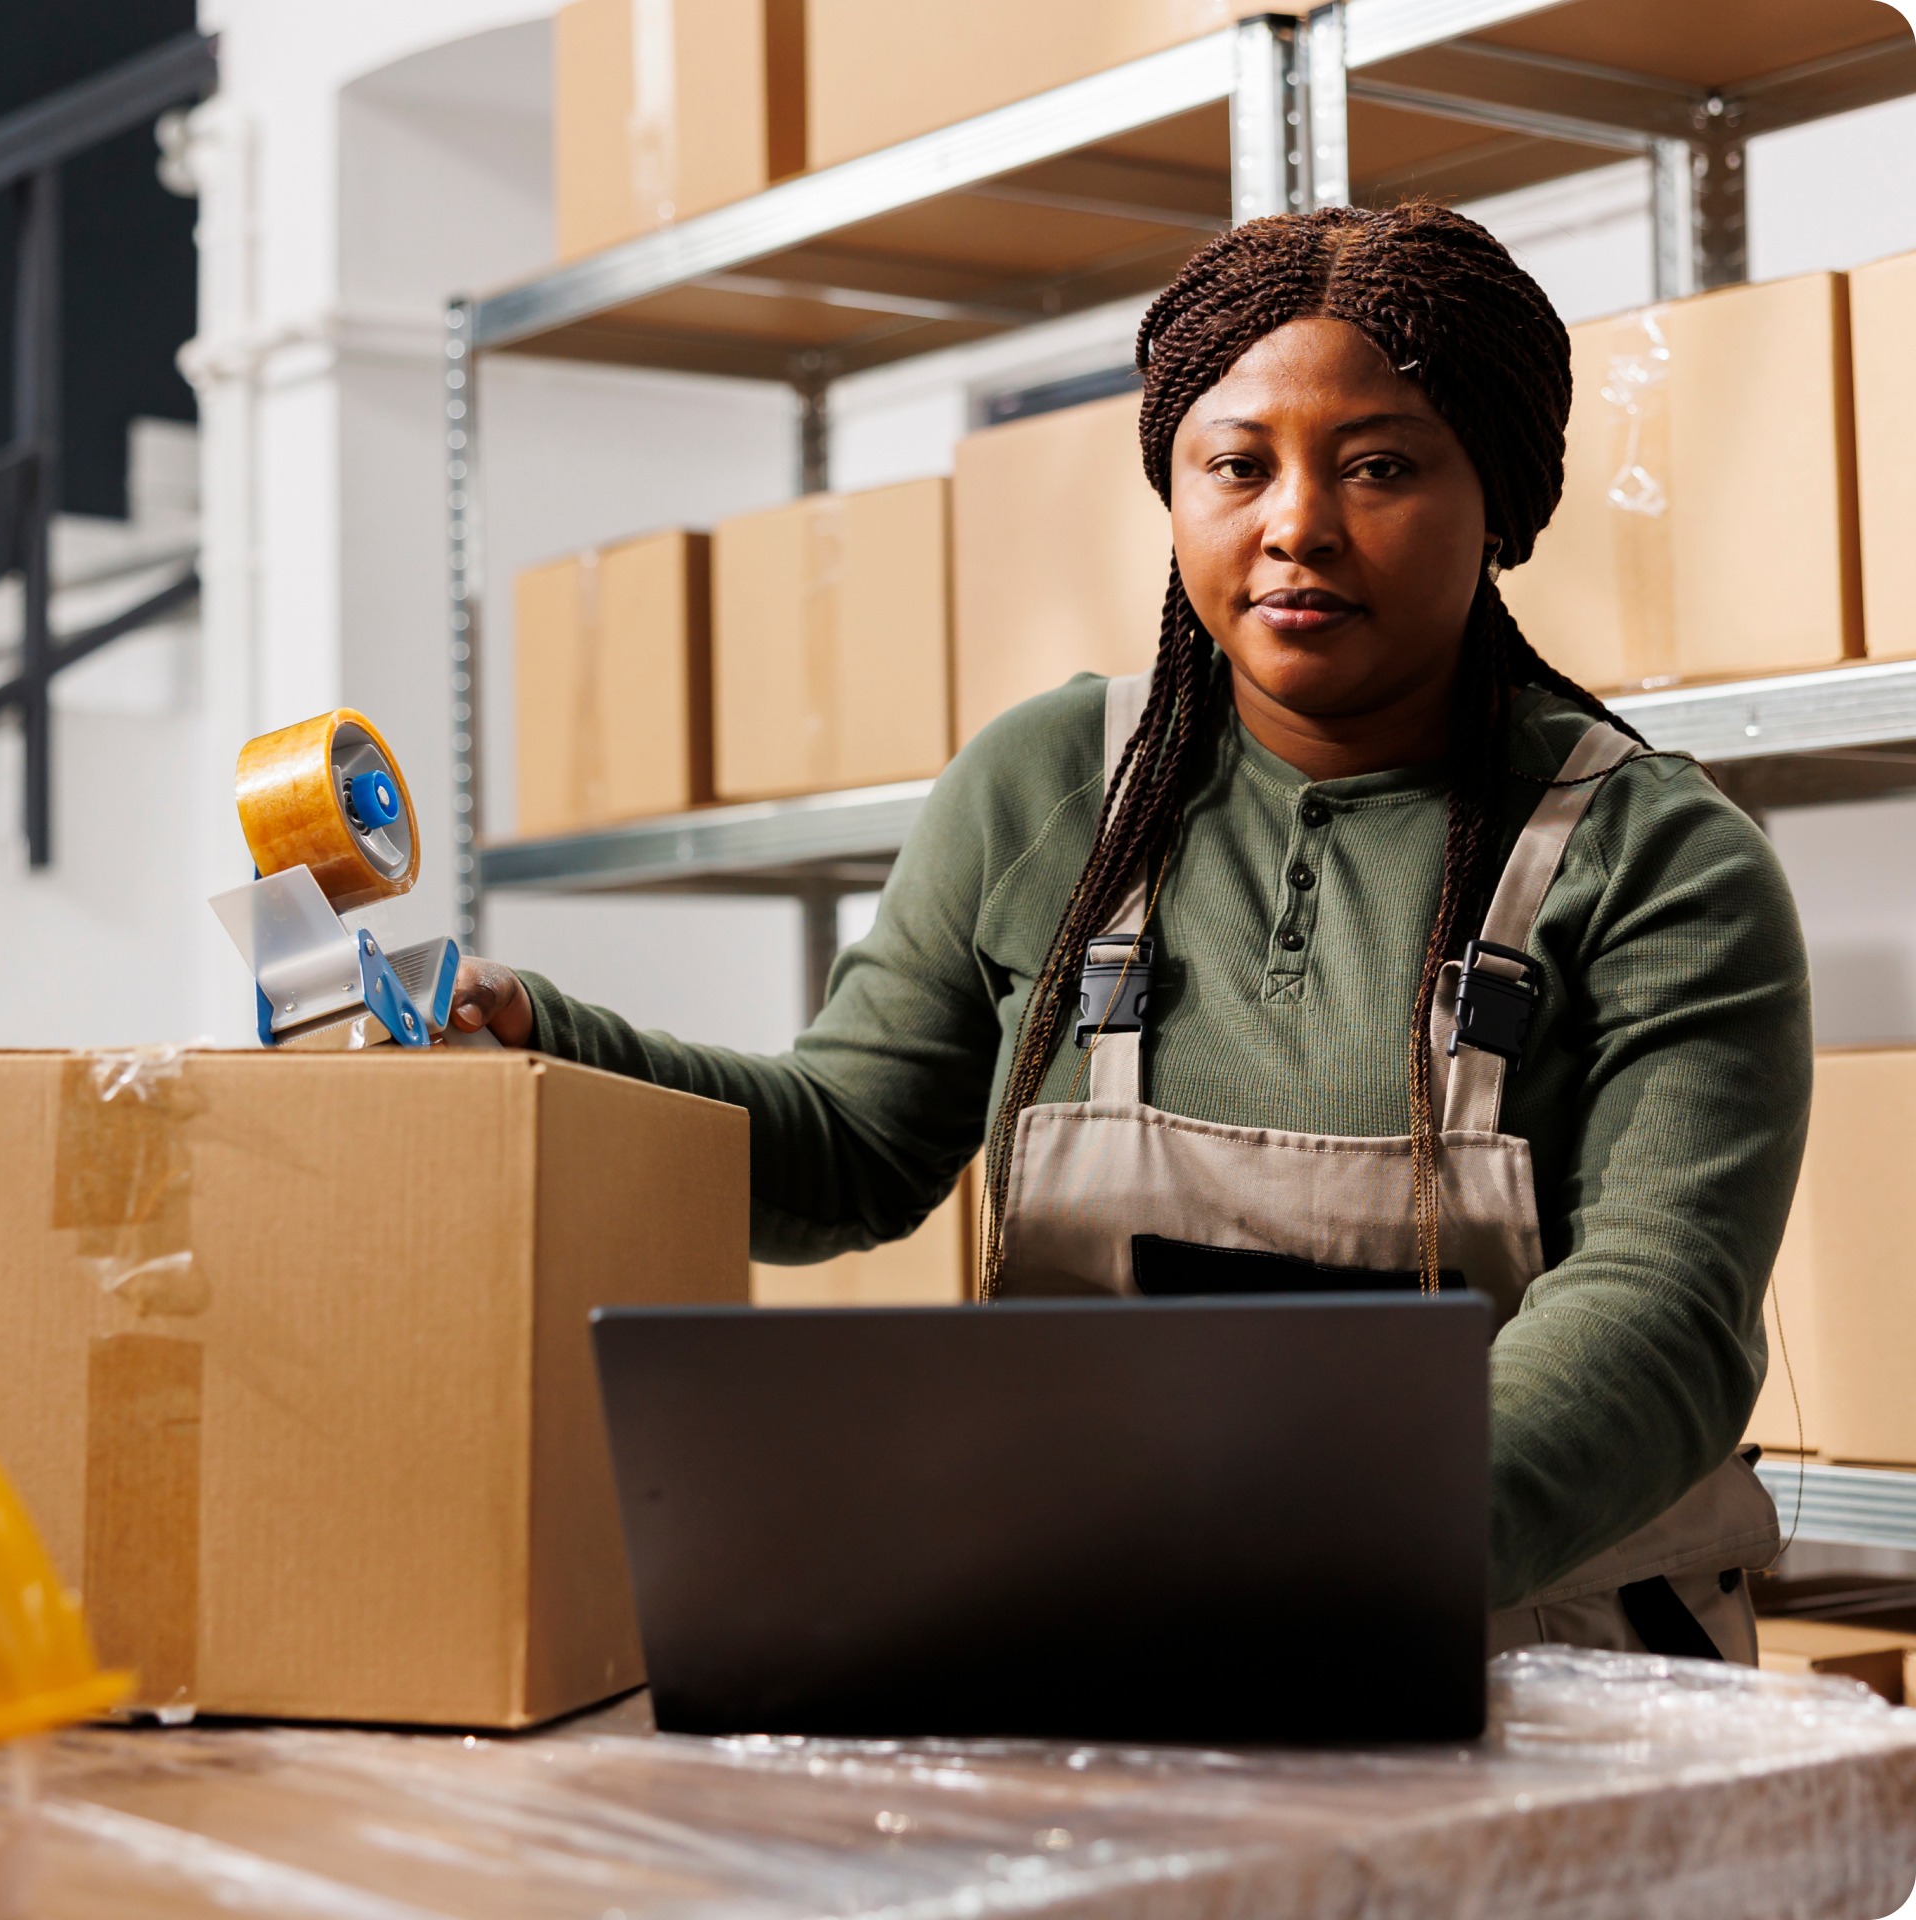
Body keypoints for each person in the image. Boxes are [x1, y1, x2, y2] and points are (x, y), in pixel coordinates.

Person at [448, 203, 1811, 1657]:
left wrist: (1345, 1538)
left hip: (1536, 1652)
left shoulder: (1658, 860)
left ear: (1504, 499)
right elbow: (845, 1149)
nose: (1297, 523)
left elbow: (1660, 1311)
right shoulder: (1045, 791)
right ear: (1173, 490)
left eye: (1381, 465)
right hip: (1097, 1615)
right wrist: (545, 1043)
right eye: (1237, 466)